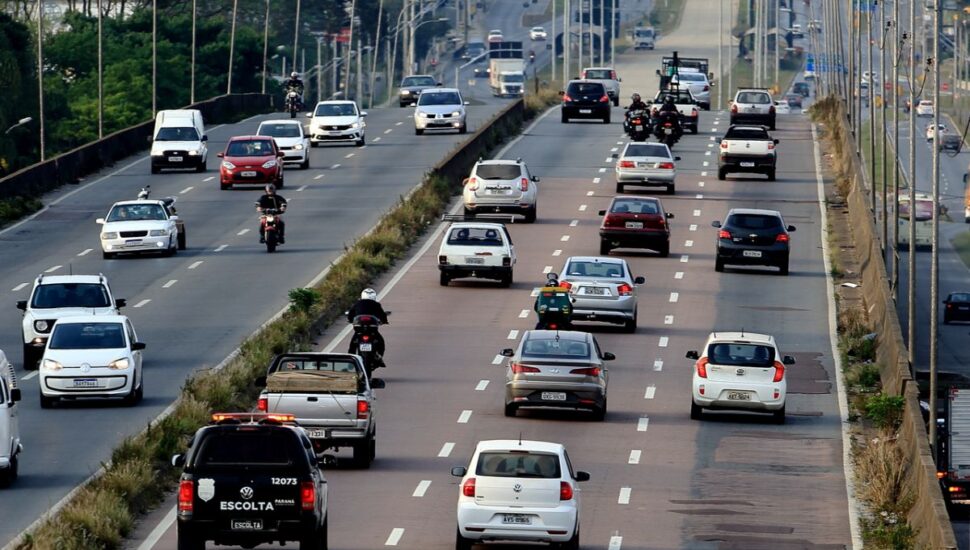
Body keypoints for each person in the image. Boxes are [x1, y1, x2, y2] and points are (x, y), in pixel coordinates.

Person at [346, 288, 390, 366]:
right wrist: (385, 321)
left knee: (353, 343)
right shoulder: (376, 304)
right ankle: (379, 356)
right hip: (372, 329)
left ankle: (350, 360)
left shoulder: (358, 303)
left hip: (359, 328)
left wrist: (350, 320)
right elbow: (382, 315)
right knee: (380, 341)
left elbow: (350, 314)